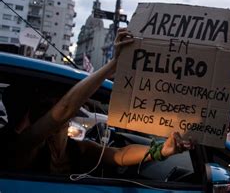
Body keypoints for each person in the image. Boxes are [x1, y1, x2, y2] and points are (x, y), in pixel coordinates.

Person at [0, 28, 191, 175]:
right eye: (45, 106)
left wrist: (162, 151)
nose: (54, 111)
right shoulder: (25, 145)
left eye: (55, 103)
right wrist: (114, 64)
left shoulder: (77, 149)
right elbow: (64, 109)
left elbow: (119, 155)